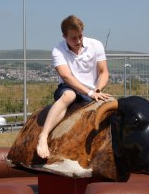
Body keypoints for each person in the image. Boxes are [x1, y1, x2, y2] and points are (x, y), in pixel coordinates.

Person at [36, 15, 111, 159]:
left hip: (93, 90)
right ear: (64, 36)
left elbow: (104, 72)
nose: (78, 41)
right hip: (69, 87)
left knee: (113, 105)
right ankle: (43, 137)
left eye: (80, 36)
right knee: (69, 96)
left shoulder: (96, 45)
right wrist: (89, 92)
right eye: (73, 38)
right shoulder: (58, 50)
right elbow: (66, 76)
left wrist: (97, 90)